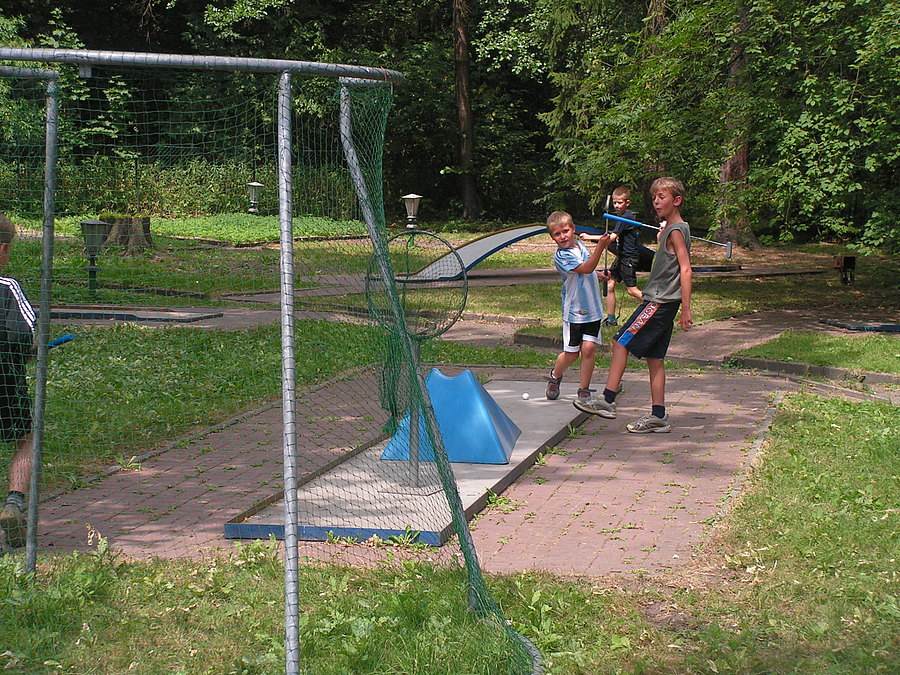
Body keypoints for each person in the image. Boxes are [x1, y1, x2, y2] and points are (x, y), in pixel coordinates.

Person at [586, 177, 693, 432]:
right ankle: (658, 416)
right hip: (664, 300)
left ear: (676, 201)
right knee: (654, 358)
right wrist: (662, 236)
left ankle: (608, 400)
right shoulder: (674, 229)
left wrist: (686, 309)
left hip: (660, 300)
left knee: (620, 341)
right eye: (655, 197)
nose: (657, 201)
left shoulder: (676, 231)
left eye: (663, 197)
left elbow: (686, 269)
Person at [544, 210, 611, 414]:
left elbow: (589, 270)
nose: (563, 236)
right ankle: (555, 375)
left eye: (565, 231)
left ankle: (583, 389)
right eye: (557, 234)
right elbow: (585, 269)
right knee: (572, 354)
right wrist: (600, 247)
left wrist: (600, 275)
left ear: (573, 229)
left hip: (593, 308)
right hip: (575, 311)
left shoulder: (580, 245)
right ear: (552, 238)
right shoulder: (561, 256)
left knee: (589, 349)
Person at [0, 215, 37, 549]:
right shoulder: (8, 287)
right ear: (3, 250)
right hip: (7, 381)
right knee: (25, 438)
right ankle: (13, 502)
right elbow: (24, 336)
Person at [581, 186, 643, 326]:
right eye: (615, 202)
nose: (616, 205)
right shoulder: (621, 217)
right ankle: (611, 319)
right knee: (610, 285)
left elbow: (611, 238)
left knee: (632, 291)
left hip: (629, 258)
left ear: (627, 203)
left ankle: (654, 308)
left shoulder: (626, 217)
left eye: (620, 202)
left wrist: (590, 236)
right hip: (621, 257)